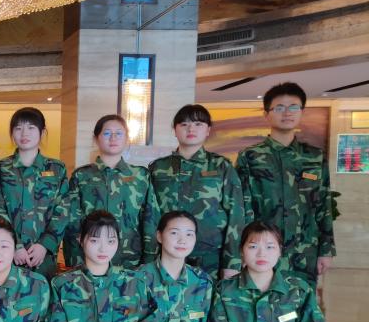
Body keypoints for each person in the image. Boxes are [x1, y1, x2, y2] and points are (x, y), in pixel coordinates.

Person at [235, 82, 335, 284]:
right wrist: (242, 250)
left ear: (302, 112)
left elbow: (324, 205)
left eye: (294, 107)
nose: (287, 113)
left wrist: (326, 249)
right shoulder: (251, 156)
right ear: (267, 114)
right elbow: (241, 206)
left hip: (304, 250)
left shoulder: (314, 157)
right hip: (262, 251)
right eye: (279, 108)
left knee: (302, 300)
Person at [147, 105, 245, 279]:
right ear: (175, 130)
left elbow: (236, 214)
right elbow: (149, 214)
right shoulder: (158, 168)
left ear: (208, 130)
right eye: (184, 124)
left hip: (211, 258)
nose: (191, 129)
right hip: (165, 255)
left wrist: (232, 262)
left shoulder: (221, 166)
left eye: (198, 124)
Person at [63, 115, 158, 269]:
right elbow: (72, 222)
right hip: (89, 260)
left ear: (127, 138)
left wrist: (149, 261)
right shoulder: (82, 176)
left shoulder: (140, 176)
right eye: (107, 133)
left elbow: (150, 220)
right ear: (96, 138)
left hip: (130, 261)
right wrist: (75, 261)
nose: (113, 138)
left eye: (119, 133)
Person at [0, 107, 69, 279]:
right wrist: (14, 244)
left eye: (31, 127)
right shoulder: (1, 168)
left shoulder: (57, 168)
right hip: (7, 254)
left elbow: (63, 210)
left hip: (44, 257)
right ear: (12, 133)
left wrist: (45, 245)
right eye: (18, 128)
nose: (24, 133)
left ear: (42, 132)